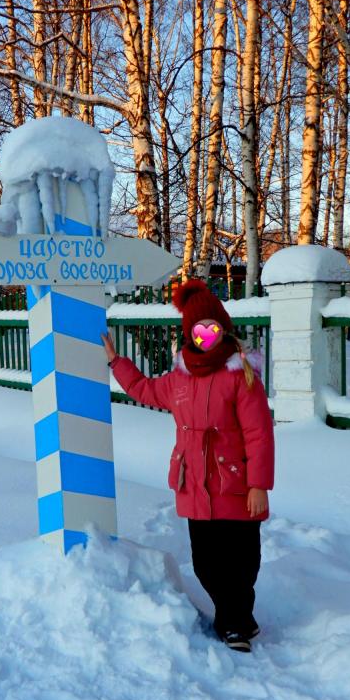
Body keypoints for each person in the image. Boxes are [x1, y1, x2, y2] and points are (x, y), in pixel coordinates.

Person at [101, 279, 275, 653]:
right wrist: (117, 362)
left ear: (222, 329)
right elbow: (145, 390)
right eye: (198, 329)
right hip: (195, 485)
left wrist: (259, 485)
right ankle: (235, 621)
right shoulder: (179, 378)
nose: (206, 336)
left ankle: (237, 623)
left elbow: (259, 435)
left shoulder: (241, 377)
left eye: (212, 328)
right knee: (206, 565)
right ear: (188, 333)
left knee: (243, 564)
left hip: (237, 487)